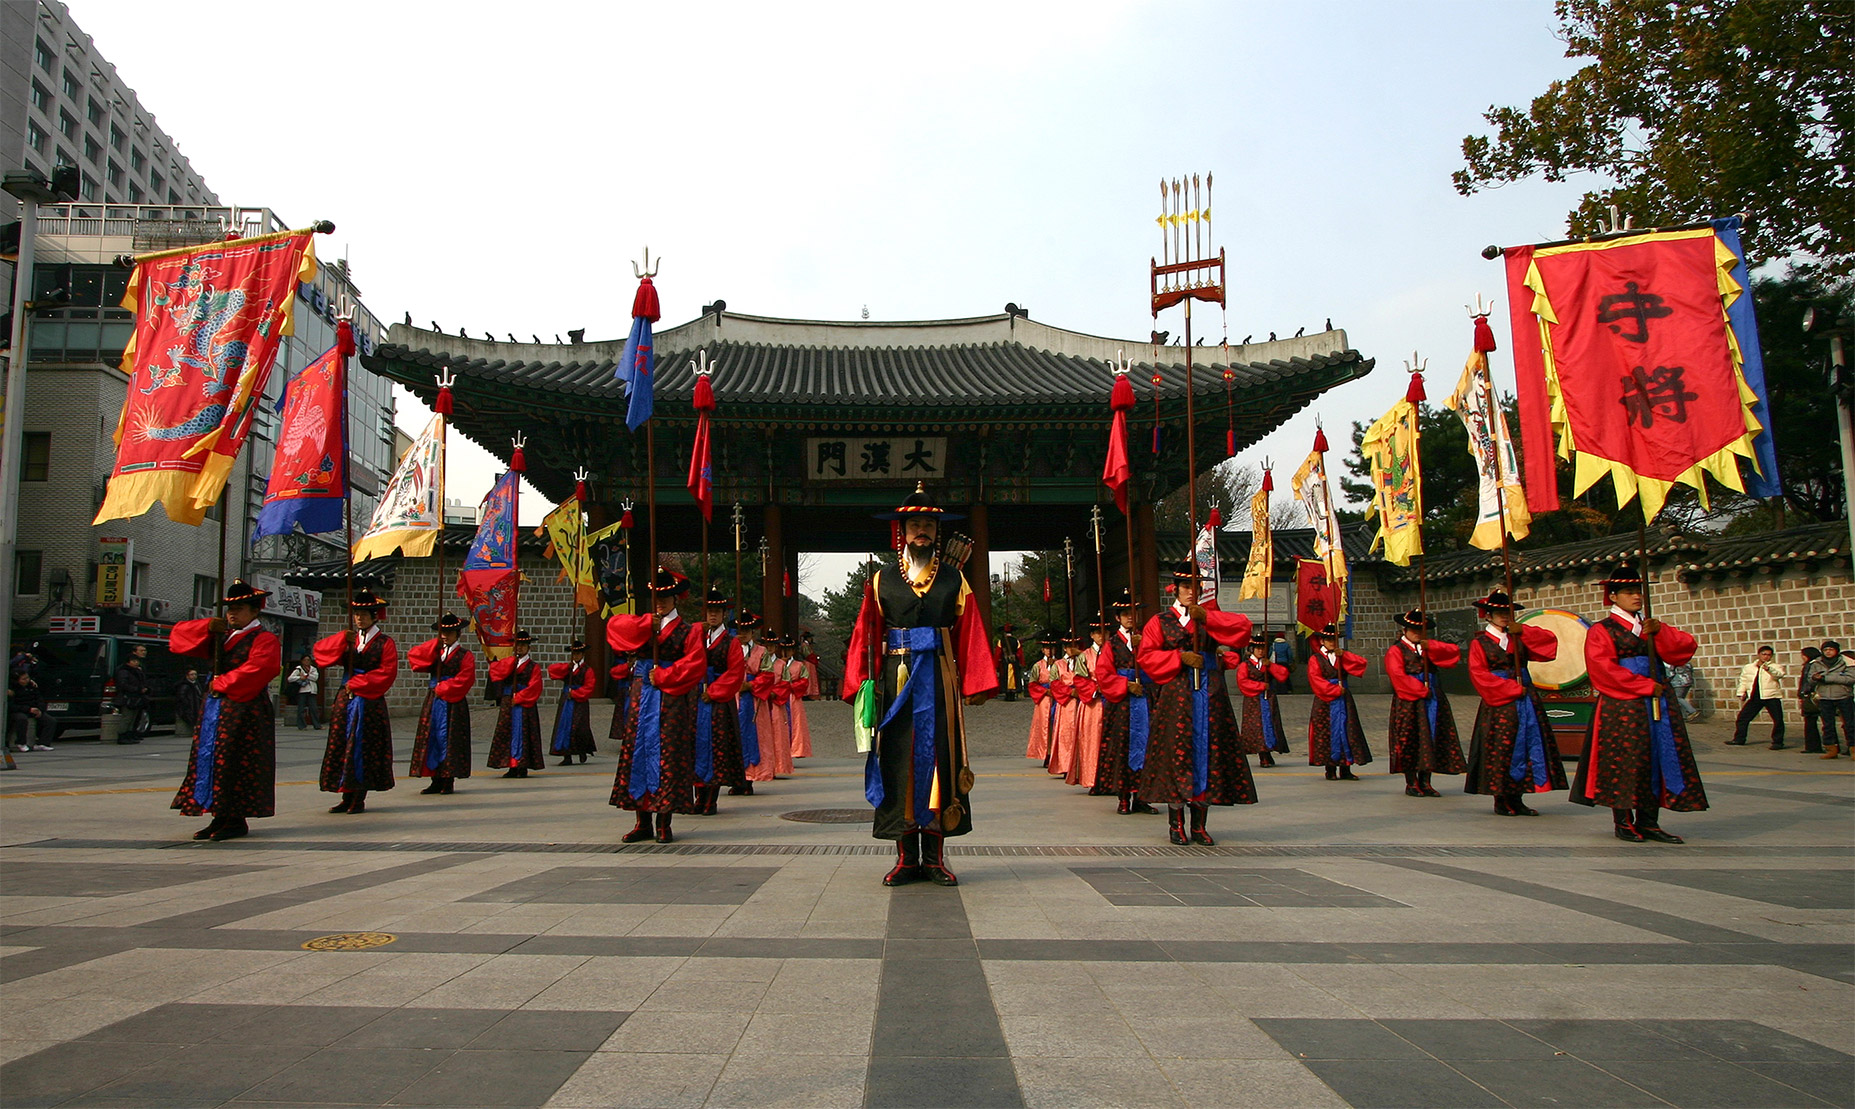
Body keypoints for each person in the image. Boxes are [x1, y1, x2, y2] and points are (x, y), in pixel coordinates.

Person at [840, 483, 997, 886]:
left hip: (940, 679)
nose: (921, 531)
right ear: (902, 531)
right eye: (915, 525)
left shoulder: (954, 579)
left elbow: (971, 631)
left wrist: (976, 682)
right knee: (899, 761)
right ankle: (906, 858)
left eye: (928, 523)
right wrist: (861, 681)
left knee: (941, 758)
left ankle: (936, 857)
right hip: (896, 682)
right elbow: (866, 631)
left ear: (936, 530)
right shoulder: (880, 580)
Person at [1570, 563, 1707, 843]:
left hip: (1658, 702)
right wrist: (1644, 685)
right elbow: (1602, 668)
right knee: (1625, 759)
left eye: (1638, 592)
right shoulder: (1601, 630)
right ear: (1614, 597)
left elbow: (1682, 650)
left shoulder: (1650, 625)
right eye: (1630, 592)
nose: (1636, 597)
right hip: (1624, 704)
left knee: (1656, 757)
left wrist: (1661, 633)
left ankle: (1649, 821)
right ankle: (1623, 821)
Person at [1134, 559, 1255, 845]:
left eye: (1196, 586)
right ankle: (1176, 823)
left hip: (1210, 695)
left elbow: (1243, 629)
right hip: (1177, 696)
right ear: (1175, 589)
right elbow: (1147, 658)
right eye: (1186, 586)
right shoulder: (1160, 622)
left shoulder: (1207, 617)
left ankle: (1200, 824)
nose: (1191, 591)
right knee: (1177, 755)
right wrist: (1177, 657)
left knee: (1209, 754)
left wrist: (1209, 618)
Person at [168, 580, 281, 841]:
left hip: (245, 710)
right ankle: (219, 814)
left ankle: (235, 817)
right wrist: (205, 627)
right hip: (217, 709)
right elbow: (179, 640)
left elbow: (261, 669)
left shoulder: (264, 638)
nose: (232, 614)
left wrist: (223, 682)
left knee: (235, 761)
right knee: (213, 760)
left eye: (239, 609)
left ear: (255, 611)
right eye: (229, 609)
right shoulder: (223, 635)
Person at [607, 567, 707, 844]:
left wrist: (664, 675)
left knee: (668, 755)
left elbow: (696, 664)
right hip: (641, 699)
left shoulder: (688, 630)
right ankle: (642, 821)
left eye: (666, 597)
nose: (660, 603)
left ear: (676, 598)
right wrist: (644, 626)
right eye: (656, 598)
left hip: (669, 699)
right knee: (637, 753)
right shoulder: (644, 624)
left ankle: (664, 821)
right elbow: (614, 630)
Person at [1463, 591, 1567, 815]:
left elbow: (1548, 647)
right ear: (1488, 615)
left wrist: (1525, 632)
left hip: (1526, 701)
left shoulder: (1518, 637)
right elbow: (1479, 675)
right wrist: (1511, 689)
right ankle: (1501, 799)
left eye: (1507, 612)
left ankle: (1518, 797)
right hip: (1500, 703)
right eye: (1499, 612)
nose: (1504, 616)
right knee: (1502, 748)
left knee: (1527, 746)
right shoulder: (1480, 643)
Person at [314, 588, 398, 814]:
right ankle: (345, 793)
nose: (359, 618)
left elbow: (387, 672)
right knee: (342, 745)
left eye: (364, 614)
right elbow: (320, 654)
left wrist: (359, 683)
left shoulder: (384, 642)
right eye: (356, 614)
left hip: (369, 701)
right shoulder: (348, 638)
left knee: (363, 747)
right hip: (346, 700)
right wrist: (341, 639)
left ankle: (359, 796)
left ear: (374, 616)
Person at [1385, 610, 1468, 798]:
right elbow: (1397, 676)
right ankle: (1411, 781)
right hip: (1409, 700)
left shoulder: (1428, 648)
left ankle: (1426, 780)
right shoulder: (1396, 650)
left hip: (1432, 698)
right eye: (1413, 629)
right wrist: (1419, 689)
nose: (1417, 633)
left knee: (1430, 737)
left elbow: (1452, 653)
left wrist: (1430, 645)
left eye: (1420, 630)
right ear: (1405, 630)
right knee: (1410, 738)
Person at [1091, 590, 1156, 812]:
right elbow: (1103, 674)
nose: (1130, 617)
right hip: (1122, 705)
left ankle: (1142, 796)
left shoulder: (1145, 639)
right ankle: (1123, 797)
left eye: (1134, 613)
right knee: (1121, 748)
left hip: (1144, 701)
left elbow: (1156, 665)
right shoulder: (1112, 645)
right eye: (1126, 613)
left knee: (1147, 746)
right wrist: (1125, 685)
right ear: (1117, 617)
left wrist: (1146, 646)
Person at [694, 585, 751, 814]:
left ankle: (711, 798)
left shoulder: (731, 642)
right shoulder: (698, 637)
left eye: (717, 611)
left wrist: (714, 691)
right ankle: (698, 796)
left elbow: (735, 673)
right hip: (697, 698)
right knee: (696, 748)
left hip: (718, 701)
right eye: (709, 611)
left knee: (716, 748)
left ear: (724, 614)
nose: (713, 615)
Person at [407, 612, 475, 794]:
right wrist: (432, 646)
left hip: (452, 702)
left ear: (457, 634)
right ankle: (435, 778)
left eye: (450, 632)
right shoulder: (435, 652)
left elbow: (466, 678)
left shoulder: (464, 655)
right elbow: (415, 659)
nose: (445, 636)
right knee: (432, 738)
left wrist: (444, 688)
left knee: (450, 739)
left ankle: (448, 779)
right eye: (442, 632)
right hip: (433, 701)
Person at [1308, 623, 1370, 780]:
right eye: (1328, 640)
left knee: (1347, 729)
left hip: (1343, 700)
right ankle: (1330, 769)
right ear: (1322, 641)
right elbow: (1315, 679)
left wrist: (1344, 656)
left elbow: (1360, 664)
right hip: (1325, 701)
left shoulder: (1341, 656)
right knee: (1326, 733)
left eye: (1334, 639)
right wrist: (1334, 690)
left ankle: (1346, 768)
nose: (1332, 642)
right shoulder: (1315, 659)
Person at [489, 630, 546, 778]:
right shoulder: (510, 663)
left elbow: (535, 687)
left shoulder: (533, 667)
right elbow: (496, 673)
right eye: (517, 645)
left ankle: (522, 765)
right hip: (509, 702)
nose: (519, 648)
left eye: (523, 645)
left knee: (524, 733)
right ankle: (511, 765)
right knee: (507, 732)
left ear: (529, 647)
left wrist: (520, 697)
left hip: (524, 704)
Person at [745, 620, 792, 785]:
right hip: (746, 695)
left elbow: (786, 683)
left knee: (771, 735)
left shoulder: (780, 663)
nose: (770, 647)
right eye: (768, 644)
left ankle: (772, 767)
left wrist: (773, 692)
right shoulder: (735, 648)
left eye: (773, 645)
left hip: (766, 698)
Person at [1234, 639, 1289, 769]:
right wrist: (1259, 685)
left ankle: (1268, 750)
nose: (1260, 651)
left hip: (1268, 699)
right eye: (1258, 648)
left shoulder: (1267, 664)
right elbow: (1242, 682)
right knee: (1256, 726)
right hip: (1253, 701)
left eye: (1263, 648)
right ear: (1252, 649)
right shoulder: (1245, 665)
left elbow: (1283, 675)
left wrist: (1270, 666)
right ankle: (1262, 753)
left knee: (1270, 724)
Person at [1066, 622, 1108, 790]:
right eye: (1097, 633)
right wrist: (1096, 688)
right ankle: (1093, 779)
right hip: (1093, 704)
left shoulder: (1113, 652)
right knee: (1092, 742)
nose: (1101, 636)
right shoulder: (1085, 656)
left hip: (1111, 701)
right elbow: (1079, 680)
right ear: (1091, 635)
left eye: (1104, 633)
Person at [728, 611, 764, 794]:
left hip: (752, 698)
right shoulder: (729, 648)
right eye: (739, 630)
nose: (743, 634)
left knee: (750, 737)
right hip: (731, 696)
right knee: (732, 736)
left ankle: (749, 780)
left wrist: (750, 684)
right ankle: (735, 780)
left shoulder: (761, 651)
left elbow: (768, 675)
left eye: (747, 630)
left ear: (753, 633)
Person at [548, 640, 599, 766]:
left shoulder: (587, 670)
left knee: (580, 727)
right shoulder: (568, 667)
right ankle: (566, 755)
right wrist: (566, 667)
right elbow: (552, 671)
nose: (576, 656)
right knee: (564, 726)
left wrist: (576, 693)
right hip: (566, 701)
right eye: (574, 654)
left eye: (578, 653)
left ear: (582, 654)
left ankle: (582, 750)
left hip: (579, 702)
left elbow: (589, 687)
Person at [1730, 645, 1787, 749]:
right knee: (1743, 718)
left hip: (1771, 696)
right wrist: (1741, 692)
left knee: (1778, 720)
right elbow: (1744, 680)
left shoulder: (1775, 666)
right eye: (1764, 654)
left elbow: (1779, 675)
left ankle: (1778, 742)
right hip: (1755, 697)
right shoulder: (1749, 667)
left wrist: (1768, 669)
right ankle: (1739, 739)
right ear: (1759, 654)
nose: (1766, 657)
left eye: (1768, 655)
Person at [1804, 641, 1853, 758]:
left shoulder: (1846, 662)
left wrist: (1825, 678)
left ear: (1837, 651)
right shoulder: (1816, 663)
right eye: (1826, 650)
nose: (1828, 652)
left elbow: (1849, 678)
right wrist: (1815, 678)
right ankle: (1831, 748)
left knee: (1850, 724)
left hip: (1843, 695)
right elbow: (1810, 678)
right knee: (1827, 725)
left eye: (1831, 649)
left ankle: (1853, 748)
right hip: (1825, 696)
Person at [1024, 630, 1062, 763]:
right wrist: (1045, 692)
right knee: (1044, 726)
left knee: (1057, 724)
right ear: (1042, 650)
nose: (1049, 651)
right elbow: (1032, 685)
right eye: (1046, 648)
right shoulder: (1037, 666)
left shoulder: (1060, 664)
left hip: (1058, 697)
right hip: (1044, 699)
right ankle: (1045, 752)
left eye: (1051, 648)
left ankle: (1056, 753)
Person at [779, 633, 814, 758]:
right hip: (780, 695)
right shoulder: (777, 664)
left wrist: (791, 686)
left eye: (789, 650)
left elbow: (804, 681)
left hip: (793, 696)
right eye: (784, 650)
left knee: (796, 723)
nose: (786, 652)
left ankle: (797, 749)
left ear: (793, 651)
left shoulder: (799, 665)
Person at [8, 670, 56, 751]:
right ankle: (21, 742)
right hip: (20, 710)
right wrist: (28, 709)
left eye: (27, 678)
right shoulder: (13, 689)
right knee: (22, 719)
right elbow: (12, 705)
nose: (26, 680)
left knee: (50, 721)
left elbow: (39, 699)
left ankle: (43, 743)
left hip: (33, 709)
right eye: (23, 679)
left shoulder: (32, 686)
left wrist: (39, 710)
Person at [113, 643, 150, 744]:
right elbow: (123, 684)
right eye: (134, 661)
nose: (136, 663)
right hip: (128, 697)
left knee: (134, 717)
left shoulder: (137, 670)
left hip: (136, 697)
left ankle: (131, 734)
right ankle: (122, 735)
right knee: (127, 717)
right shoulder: (124, 671)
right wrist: (137, 689)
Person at [1798, 647, 1823, 754]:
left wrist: (1802, 694)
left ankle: (1813, 746)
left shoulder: (1811, 665)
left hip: (1812, 696)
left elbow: (1807, 682)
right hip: (1819, 695)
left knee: (1810, 721)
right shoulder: (1821, 663)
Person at [286, 655, 321, 729]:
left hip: (312, 691)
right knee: (301, 709)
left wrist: (306, 676)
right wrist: (299, 677)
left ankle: (317, 725)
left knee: (314, 708)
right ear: (302, 661)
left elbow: (315, 678)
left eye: (308, 660)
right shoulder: (298, 669)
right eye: (305, 660)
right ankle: (302, 725)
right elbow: (290, 678)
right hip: (302, 691)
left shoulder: (313, 669)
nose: (307, 661)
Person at [174, 668, 207, 737]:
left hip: (196, 704)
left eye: (195, 674)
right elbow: (181, 696)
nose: (194, 676)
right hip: (190, 705)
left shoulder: (196, 684)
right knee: (190, 718)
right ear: (187, 676)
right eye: (192, 674)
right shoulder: (185, 685)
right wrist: (186, 703)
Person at [998, 624, 1023, 702]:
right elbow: (1020, 653)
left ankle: (1007, 693)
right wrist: (1020, 662)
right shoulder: (1016, 641)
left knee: (1005, 676)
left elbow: (998, 653)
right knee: (1014, 677)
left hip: (1005, 661)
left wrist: (997, 663)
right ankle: (1013, 693)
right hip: (1014, 661)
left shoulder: (1001, 641)